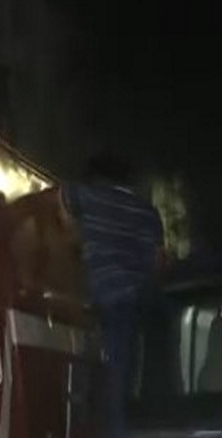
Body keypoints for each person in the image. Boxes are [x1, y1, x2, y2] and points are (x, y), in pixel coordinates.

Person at [64, 151, 166, 420]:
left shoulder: (88, 197)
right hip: (137, 305)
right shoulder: (148, 213)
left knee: (104, 385)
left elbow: (59, 197)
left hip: (103, 301)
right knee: (126, 384)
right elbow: (158, 264)